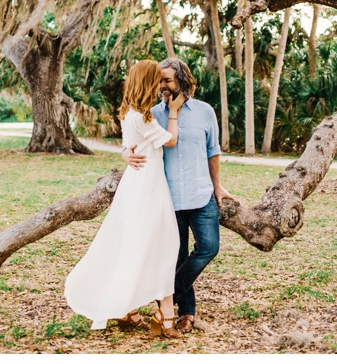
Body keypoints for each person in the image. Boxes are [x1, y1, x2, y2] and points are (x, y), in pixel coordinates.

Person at [65, 59, 184, 338]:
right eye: (156, 80)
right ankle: (163, 316)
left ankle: (128, 309)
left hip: (139, 180)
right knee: (164, 243)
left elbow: (127, 145)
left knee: (136, 242)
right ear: (147, 83)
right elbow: (171, 140)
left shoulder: (128, 112)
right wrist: (175, 113)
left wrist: (124, 153)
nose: (159, 86)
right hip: (148, 183)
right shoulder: (143, 117)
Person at [122, 58, 234, 334]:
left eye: (167, 80)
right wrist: (125, 153)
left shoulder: (205, 111)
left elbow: (213, 150)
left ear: (183, 81)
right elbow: (132, 138)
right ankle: (184, 313)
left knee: (209, 247)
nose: (162, 85)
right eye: (159, 80)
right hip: (167, 197)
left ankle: (167, 291)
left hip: (200, 192)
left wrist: (217, 185)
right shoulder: (151, 113)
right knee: (177, 253)